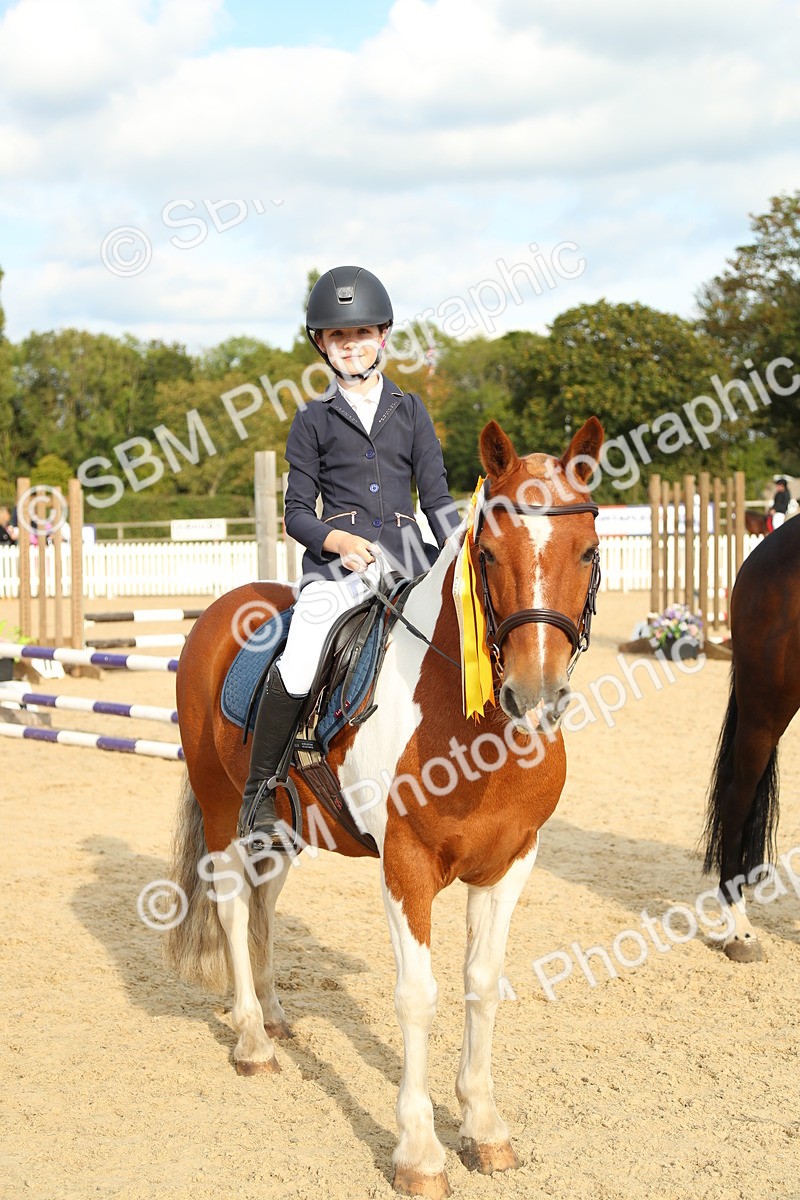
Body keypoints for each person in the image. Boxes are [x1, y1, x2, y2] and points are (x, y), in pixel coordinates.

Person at [237, 265, 461, 848]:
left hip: (410, 559)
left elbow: (436, 499)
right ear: (322, 345)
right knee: (306, 640)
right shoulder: (312, 418)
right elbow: (297, 513)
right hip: (339, 569)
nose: (352, 344)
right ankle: (260, 791)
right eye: (339, 336)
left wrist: (457, 555)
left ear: (383, 336)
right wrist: (335, 542)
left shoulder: (411, 412)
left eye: (362, 333)